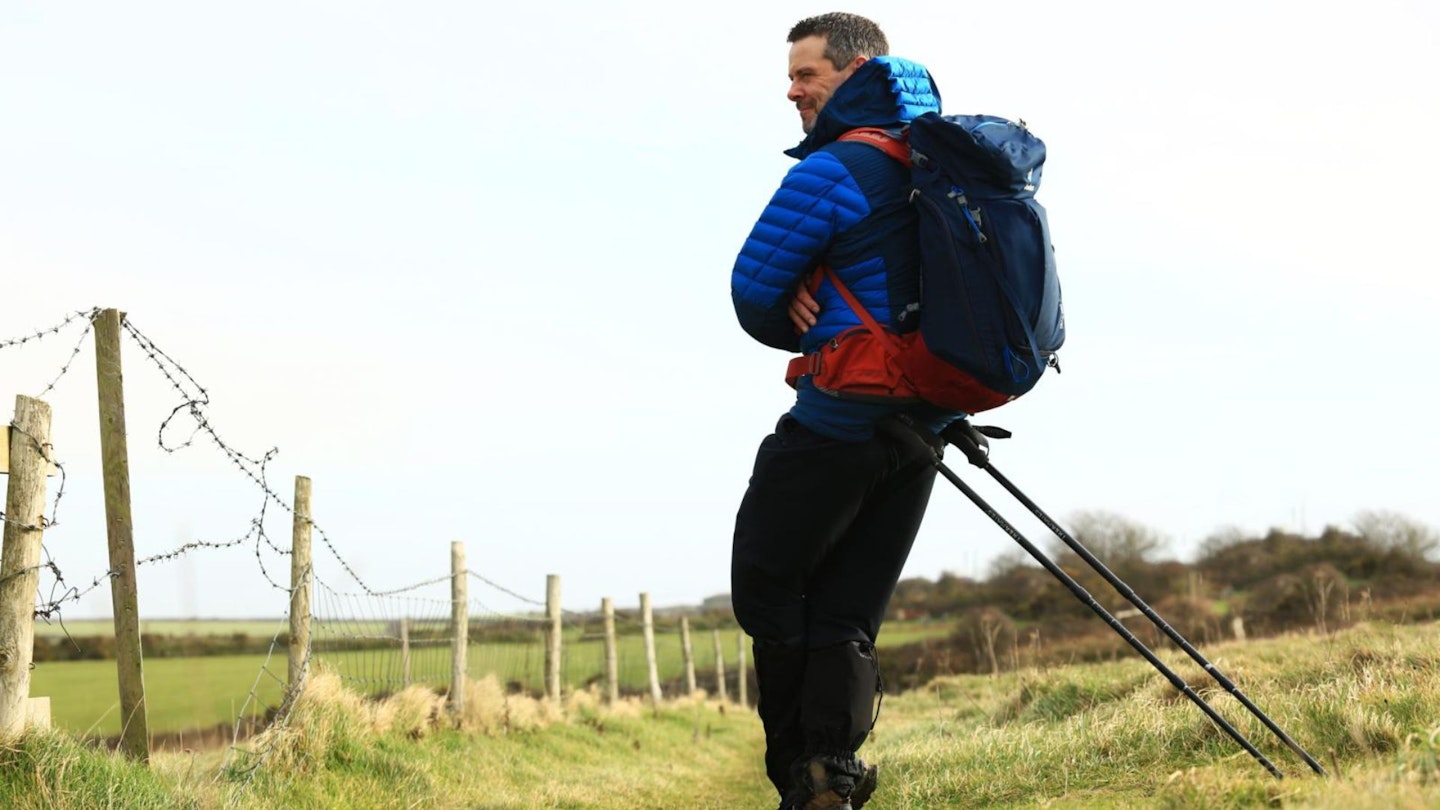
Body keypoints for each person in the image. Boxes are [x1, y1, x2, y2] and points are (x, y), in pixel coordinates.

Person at [729, 12, 962, 810]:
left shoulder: (838, 168)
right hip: (927, 425)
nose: (791, 91)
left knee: (767, 583)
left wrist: (800, 293)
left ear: (855, 73)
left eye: (807, 75)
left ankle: (806, 774)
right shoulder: (940, 161)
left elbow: (753, 295)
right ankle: (832, 766)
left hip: (841, 416)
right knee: (848, 605)